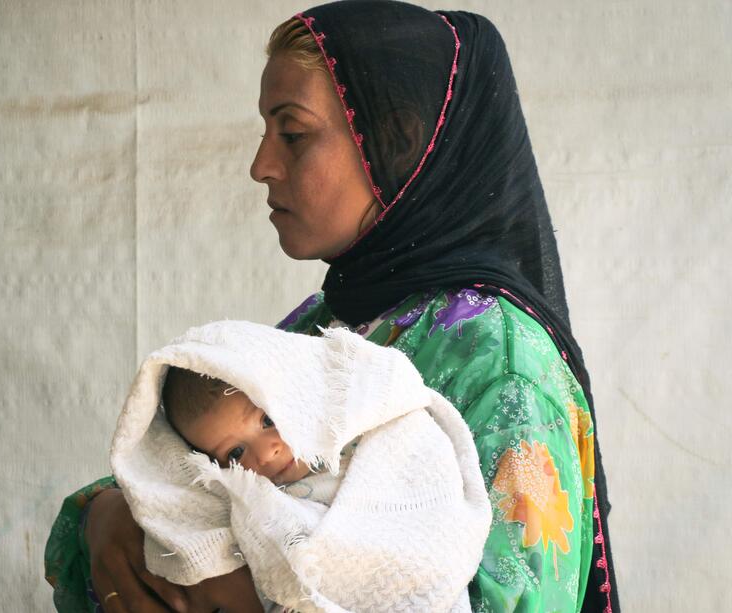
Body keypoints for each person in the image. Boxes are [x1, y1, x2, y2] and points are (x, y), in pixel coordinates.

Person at [45, 2, 619, 612]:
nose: (261, 165)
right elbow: (177, 469)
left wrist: (252, 589)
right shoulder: (329, 322)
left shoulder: (503, 365)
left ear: (396, 142)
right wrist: (104, 516)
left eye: (291, 133)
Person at [109, 320, 490, 613]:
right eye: (236, 454)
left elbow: (433, 524)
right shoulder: (251, 503)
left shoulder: (376, 431)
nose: (267, 453)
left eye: (267, 421)